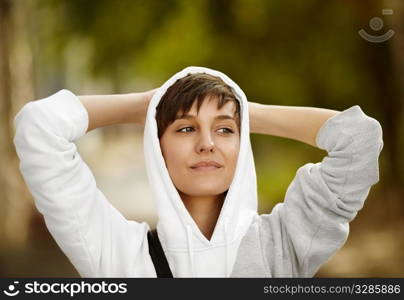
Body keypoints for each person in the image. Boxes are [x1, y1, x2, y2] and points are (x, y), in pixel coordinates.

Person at [13, 66, 383, 277]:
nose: (207, 143)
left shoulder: (282, 244)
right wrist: (147, 106)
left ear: (243, 141)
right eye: (185, 128)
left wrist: (243, 109)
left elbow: (359, 139)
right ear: (158, 148)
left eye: (225, 130)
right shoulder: (119, 253)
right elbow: (38, 126)